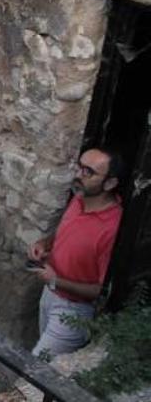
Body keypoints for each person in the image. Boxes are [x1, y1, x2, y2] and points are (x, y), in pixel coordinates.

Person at [27, 147, 124, 358]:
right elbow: (68, 232)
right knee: (49, 368)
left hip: (74, 311)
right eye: (80, 167)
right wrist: (46, 243)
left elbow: (102, 290)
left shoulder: (113, 228)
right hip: (50, 294)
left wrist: (56, 280)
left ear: (110, 183)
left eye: (88, 172)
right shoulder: (80, 198)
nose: (79, 175)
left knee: (34, 375)